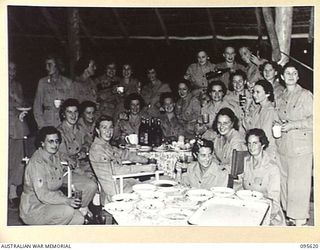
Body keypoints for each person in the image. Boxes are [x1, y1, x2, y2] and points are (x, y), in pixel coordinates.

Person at [19, 126, 84, 225]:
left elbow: (60, 154)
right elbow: (43, 195)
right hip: (35, 208)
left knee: (79, 219)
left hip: (51, 202)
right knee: (67, 211)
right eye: (51, 141)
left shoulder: (53, 154)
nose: (55, 145)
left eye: (57, 141)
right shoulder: (37, 163)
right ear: (42, 143)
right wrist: (66, 200)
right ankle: (48, 237)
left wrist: (67, 158)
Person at [276, 62, 313, 226]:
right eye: (287, 73)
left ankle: (300, 223)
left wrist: (293, 124)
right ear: (282, 77)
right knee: (285, 184)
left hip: (300, 148)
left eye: (294, 73)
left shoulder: (305, 95)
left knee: (298, 186)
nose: (291, 76)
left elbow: (315, 120)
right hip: (283, 147)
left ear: (298, 76)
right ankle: (291, 218)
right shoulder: (281, 96)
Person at [89, 115, 156, 204]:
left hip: (121, 183)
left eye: (111, 127)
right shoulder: (97, 149)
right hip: (116, 191)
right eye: (104, 128)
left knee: (151, 184)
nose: (108, 131)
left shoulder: (106, 145)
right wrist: (144, 168)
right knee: (153, 189)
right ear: (97, 130)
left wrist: (146, 159)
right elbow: (117, 170)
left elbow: (125, 154)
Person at [238, 128, 284, 226]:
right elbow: (240, 188)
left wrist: (261, 218)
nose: (251, 147)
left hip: (268, 215)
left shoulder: (272, 168)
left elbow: (274, 202)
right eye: (249, 143)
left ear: (262, 145)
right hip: (248, 209)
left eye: (255, 143)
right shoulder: (245, 162)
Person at [8, 61, 30, 209]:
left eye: (14, 69)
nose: (12, 72)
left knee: (17, 160)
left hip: (16, 125)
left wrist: (15, 98)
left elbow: (23, 102)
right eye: (9, 68)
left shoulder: (17, 85)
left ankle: (12, 192)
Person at [33, 55, 75, 128]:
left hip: (64, 123)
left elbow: (73, 104)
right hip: (48, 122)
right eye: (46, 65)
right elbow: (37, 106)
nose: (46, 68)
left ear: (57, 65)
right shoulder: (42, 83)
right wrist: (41, 125)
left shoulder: (68, 83)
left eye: (49, 65)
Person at [243, 80, 280, 159]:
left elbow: (264, 135)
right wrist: (246, 108)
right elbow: (248, 128)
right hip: (258, 149)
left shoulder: (270, 111)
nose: (254, 95)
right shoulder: (258, 109)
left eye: (258, 92)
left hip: (267, 151)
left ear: (267, 93)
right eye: (253, 92)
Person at [57, 99, 94, 178]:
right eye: (69, 112)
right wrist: (83, 173)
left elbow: (88, 141)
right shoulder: (59, 133)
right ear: (63, 114)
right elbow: (64, 158)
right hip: (68, 171)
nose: (73, 115)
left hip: (81, 165)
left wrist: (84, 149)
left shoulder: (80, 128)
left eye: (75, 112)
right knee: (92, 185)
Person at [212, 108, 246, 173]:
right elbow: (214, 158)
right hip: (223, 173)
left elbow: (235, 168)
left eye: (225, 123)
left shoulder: (237, 140)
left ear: (232, 124)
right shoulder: (218, 138)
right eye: (219, 123)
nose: (221, 126)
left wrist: (216, 169)